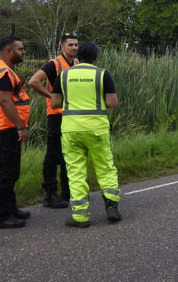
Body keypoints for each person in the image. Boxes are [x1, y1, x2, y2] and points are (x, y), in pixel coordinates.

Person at [51, 41, 121, 228]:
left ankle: (80, 217)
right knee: (105, 166)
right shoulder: (102, 74)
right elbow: (112, 103)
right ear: (96, 58)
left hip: (71, 130)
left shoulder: (63, 75)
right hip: (97, 128)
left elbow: (55, 103)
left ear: (77, 57)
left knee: (75, 171)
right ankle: (111, 207)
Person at [0, 36, 31, 229]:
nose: (23, 52)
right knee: (5, 173)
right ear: (8, 51)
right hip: (3, 129)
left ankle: (10, 209)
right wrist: (21, 126)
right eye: (20, 49)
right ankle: (1, 217)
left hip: (2, 127)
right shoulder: (3, 72)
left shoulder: (1, 68)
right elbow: (4, 101)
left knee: (10, 172)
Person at [28, 32, 78, 209]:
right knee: (53, 154)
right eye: (70, 45)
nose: (74, 48)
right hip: (56, 115)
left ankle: (68, 192)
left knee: (69, 154)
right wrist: (51, 96)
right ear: (62, 47)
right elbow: (33, 81)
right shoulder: (54, 64)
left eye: (75, 45)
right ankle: (50, 194)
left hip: (72, 115)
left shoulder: (77, 64)